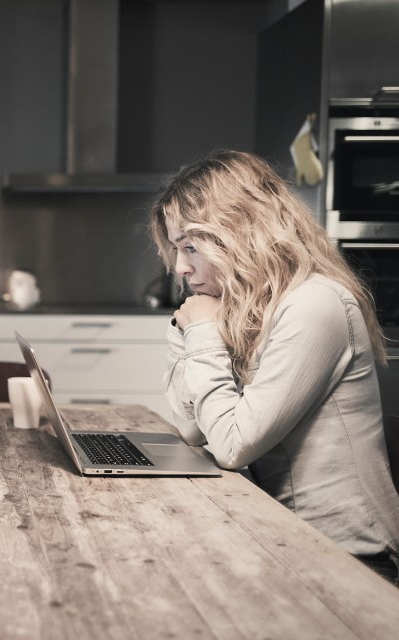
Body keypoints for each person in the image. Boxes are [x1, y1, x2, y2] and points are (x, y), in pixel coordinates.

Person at [151, 149, 399, 585]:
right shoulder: (244, 307)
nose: (181, 267)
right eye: (176, 249)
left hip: (353, 560)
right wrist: (185, 328)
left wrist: (202, 334)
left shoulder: (313, 304)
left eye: (191, 246)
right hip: (283, 536)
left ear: (243, 233)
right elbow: (193, 430)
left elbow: (231, 447)